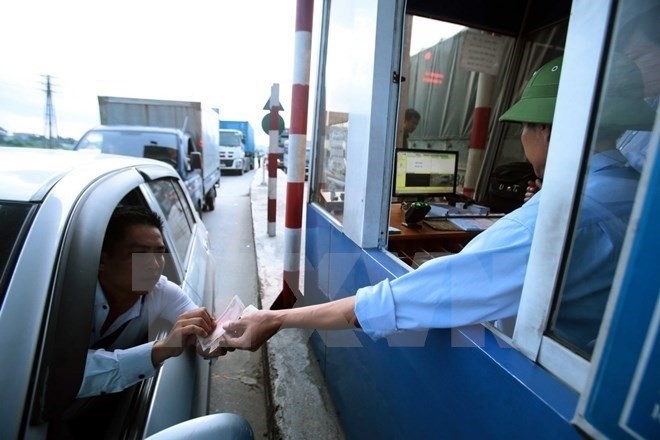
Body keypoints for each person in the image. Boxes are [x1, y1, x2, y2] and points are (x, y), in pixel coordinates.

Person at [219, 56, 653, 355]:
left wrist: (275, 320)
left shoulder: (544, 226)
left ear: (548, 131)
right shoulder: (636, 191)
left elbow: (399, 301)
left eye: (524, 129)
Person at [57, 206, 250, 438]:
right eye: (139, 254)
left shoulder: (162, 291)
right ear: (102, 260)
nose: (154, 264)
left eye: (159, 253)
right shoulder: (64, 300)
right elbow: (64, 374)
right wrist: (162, 348)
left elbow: (202, 335)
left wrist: (212, 342)